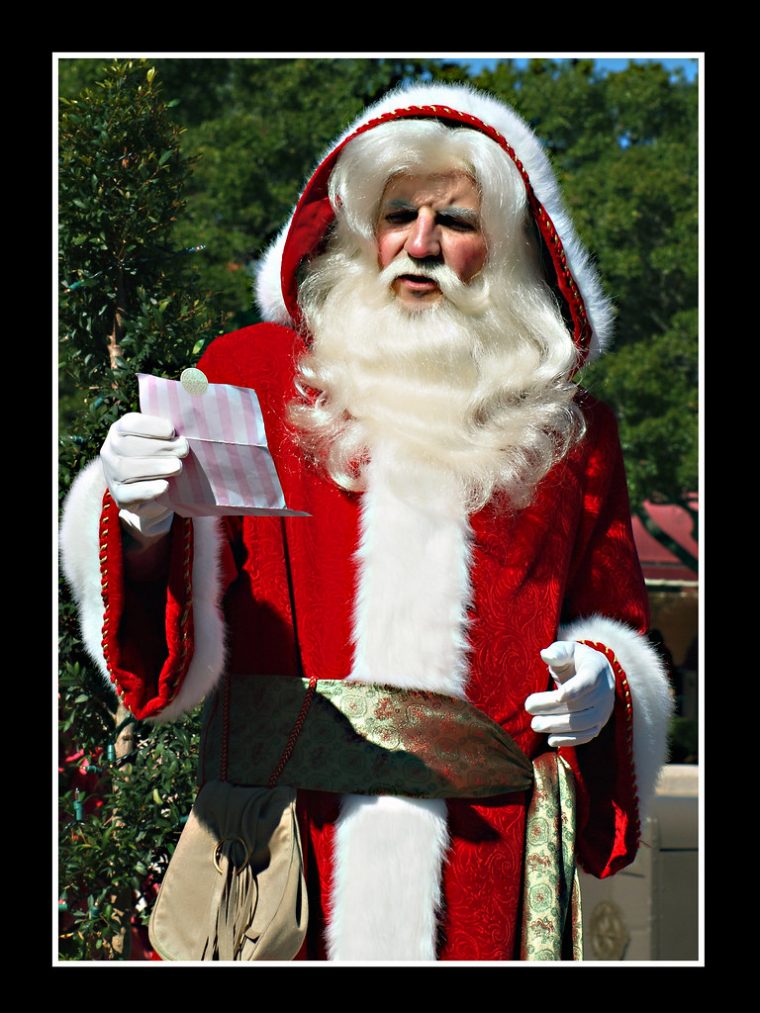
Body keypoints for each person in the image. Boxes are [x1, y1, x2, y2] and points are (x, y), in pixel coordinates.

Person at [61, 82, 673, 961]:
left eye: (456, 221)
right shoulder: (251, 375)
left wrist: (608, 682)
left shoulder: (570, 432)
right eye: (398, 213)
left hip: (482, 870)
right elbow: (170, 650)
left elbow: (613, 625)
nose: (420, 244)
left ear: (505, 246)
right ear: (360, 227)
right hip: (280, 860)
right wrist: (143, 517)